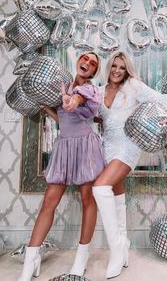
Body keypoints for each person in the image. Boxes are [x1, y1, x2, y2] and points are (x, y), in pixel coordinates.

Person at [67, 51, 167, 279]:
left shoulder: (134, 86)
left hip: (128, 146)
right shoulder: (97, 91)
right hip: (106, 147)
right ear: (108, 68)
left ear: (127, 70)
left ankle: (117, 248)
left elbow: (164, 98)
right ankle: (124, 245)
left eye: (122, 67)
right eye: (114, 66)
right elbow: (88, 115)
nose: (118, 71)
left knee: (100, 188)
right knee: (116, 197)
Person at [17, 52, 105, 281]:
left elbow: (76, 101)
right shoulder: (64, 85)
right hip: (64, 147)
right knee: (49, 202)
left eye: (93, 63)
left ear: (94, 72)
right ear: (78, 62)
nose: (87, 62)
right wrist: (48, 107)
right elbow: (64, 118)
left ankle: (81, 259)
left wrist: (71, 100)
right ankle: (30, 262)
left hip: (86, 148)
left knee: (88, 201)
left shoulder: (89, 91)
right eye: (85, 59)